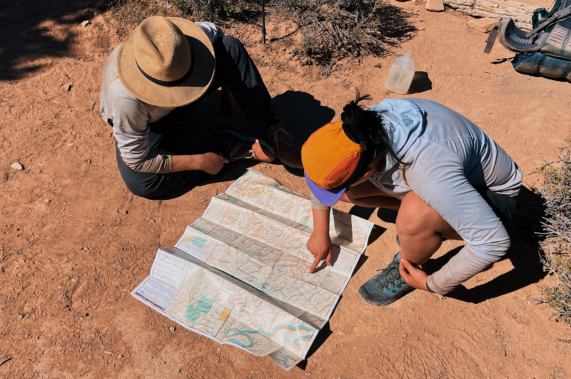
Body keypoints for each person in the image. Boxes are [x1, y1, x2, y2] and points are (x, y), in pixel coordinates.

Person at [302, 92, 523, 305]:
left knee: (414, 216)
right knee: (353, 193)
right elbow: (323, 176)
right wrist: (319, 231)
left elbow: (492, 242)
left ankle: (408, 260)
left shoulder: (429, 170)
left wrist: (434, 283)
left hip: (493, 197)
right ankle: (420, 229)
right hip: (447, 179)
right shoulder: (361, 128)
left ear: (366, 172)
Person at [100, 16, 303, 200]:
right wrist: (198, 162)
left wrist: (228, 89)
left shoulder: (180, 43)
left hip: (178, 90)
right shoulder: (125, 97)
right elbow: (137, 160)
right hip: (152, 121)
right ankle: (229, 149)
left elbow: (220, 36)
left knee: (231, 47)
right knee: (141, 183)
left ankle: (270, 130)